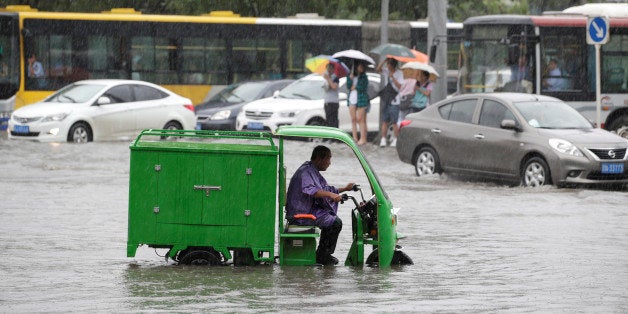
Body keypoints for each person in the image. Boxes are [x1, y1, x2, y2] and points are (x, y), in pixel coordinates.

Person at [286, 145, 355, 265]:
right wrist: (331, 195)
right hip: (301, 214)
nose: (329, 163)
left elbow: (325, 188)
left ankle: (323, 254)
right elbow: (312, 191)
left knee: (332, 219)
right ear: (319, 159)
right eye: (328, 158)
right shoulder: (306, 172)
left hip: (307, 209)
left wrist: (345, 189)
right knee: (335, 223)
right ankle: (323, 256)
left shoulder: (312, 170)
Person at [376, 58, 404, 147]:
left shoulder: (400, 73)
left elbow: (400, 87)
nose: (387, 66)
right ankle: (383, 139)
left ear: (392, 65)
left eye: (388, 64)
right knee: (385, 120)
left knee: (394, 121)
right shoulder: (386, 71)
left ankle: (396, 139)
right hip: (386, 99)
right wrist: (383, 61)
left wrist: (393, 78)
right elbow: (378, 69)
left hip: (395, 100)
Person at [347, 62, 370, 145]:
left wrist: (356, 87)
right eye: (360, 66)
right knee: (353, 119)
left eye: (362, 67)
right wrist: (350, 79)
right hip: (352, 98)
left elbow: (364, 87)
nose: (361, 68)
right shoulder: (351, 75)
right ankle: (354, 137)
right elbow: (348, 86)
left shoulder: (364, 77)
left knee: (360, 119)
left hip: (361, 99)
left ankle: (363, 138)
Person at [323, 63, 340, 128]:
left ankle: (335, 136)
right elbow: (326, 88)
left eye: (330, 68)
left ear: (333, 69)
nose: (329, 70)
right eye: (327, 69)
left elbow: (334, 87)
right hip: (327, 102)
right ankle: (329, 136)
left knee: (333, 120)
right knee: (328, 120)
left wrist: (328, 79)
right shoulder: (325, 78)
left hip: (333, 102)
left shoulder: (335, 77)